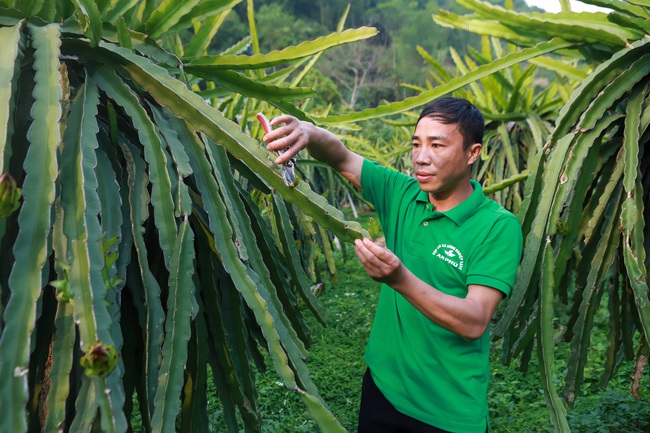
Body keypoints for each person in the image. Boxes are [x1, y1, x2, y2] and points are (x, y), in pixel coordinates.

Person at [262, 97, 523, 433]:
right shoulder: (402, 193)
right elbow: (340, 156)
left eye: (437, 145)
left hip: (448, 411)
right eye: (417, 143)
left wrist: (399, 279)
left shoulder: (497, 226)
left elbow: (474, 320)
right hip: (382, 390)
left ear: (472, 153)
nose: (421, 157)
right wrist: (307, 132)